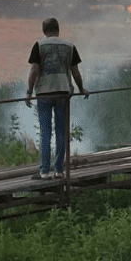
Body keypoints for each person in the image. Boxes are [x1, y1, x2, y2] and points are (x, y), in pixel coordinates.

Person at [25, 17, 88, 179]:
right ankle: (59, 170)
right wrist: (81, 89)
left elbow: (34, 71)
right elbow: (75, 72)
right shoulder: (69, 46)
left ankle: (44, 171)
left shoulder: (39, 45)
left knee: (45, 132)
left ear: (44, 31)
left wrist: (29, 92)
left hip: (44, 93)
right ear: (58, 29)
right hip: (63, 92)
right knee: (61, 132)